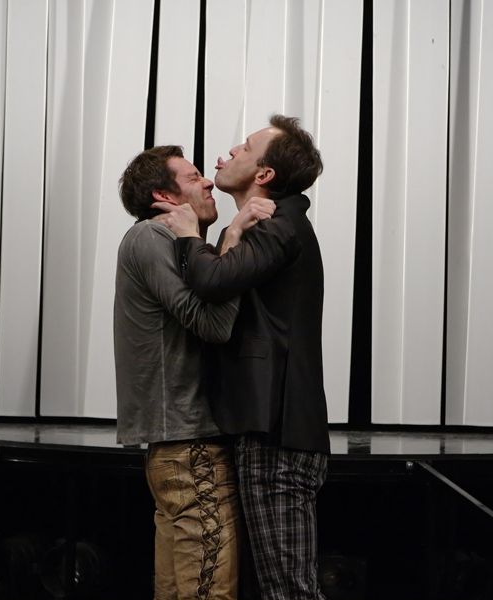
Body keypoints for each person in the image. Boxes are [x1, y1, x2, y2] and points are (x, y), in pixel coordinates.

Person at [154, 115, 330, 600]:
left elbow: (212, 283)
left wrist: (189, 236)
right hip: (272, 431)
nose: (229, 152)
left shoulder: (278, 225)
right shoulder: (265, 225)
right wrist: (228, 233)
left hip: (278, 435)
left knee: (288, 591)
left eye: (245, 148)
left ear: (264, 174)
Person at [114, 145, 271, 600]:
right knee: (209, 591)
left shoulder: (165, 241)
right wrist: (232, 239)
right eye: (193, 176)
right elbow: (213, 325)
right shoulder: (152, 236)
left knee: (179, 590)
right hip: (191, 448)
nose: (207, 182)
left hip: (181, 448)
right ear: (164, 197)